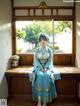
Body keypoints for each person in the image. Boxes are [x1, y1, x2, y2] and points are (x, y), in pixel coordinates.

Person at [29, 33, 61, 106]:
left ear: (47, 41)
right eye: (41, 40)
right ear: (39, 41)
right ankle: (39, 100)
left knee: (46, 76)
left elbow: (50, 60)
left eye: (45, 39)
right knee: (39, 76)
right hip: (38, 67)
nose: (43, 41)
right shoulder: (37, 50)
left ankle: (45, 101)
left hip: (48, 67)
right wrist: (40, 67)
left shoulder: (49, 50)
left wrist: (46, 67)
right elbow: (36, 60)